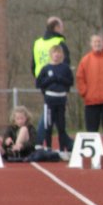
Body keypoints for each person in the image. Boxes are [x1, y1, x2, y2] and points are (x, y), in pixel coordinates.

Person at [31, 16, 72, 150]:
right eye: (62, 26)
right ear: (56, 28)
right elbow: (66, 63)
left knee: (54, 119)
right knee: (49, 119)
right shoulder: (59, 41)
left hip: (44, 81)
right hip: (51, 83)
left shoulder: (38, 42)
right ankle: (39, 141)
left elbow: (33, 64)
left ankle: (61, 143)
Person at [36, 45, 74, 159]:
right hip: (49, 100)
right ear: (51, 55)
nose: (56, 55)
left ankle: (63, 149)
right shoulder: (46, 68)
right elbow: (39, 84)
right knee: (48, 125)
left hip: (61, 100)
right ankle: (48, 148)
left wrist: (60, 79)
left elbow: (70, 82)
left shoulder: (65, 68)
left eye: (58, 53)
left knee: (61, 126)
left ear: (61, 55)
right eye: (54, 53)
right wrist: (51, 80)